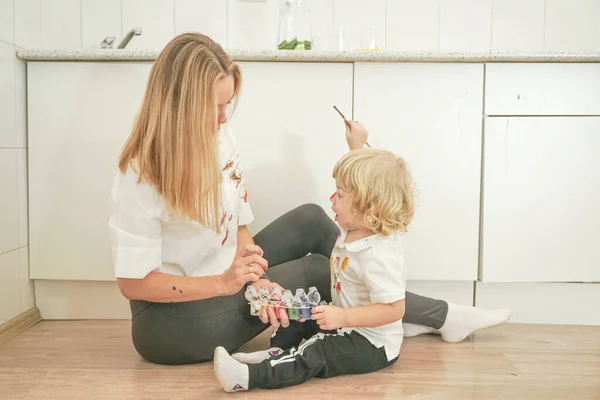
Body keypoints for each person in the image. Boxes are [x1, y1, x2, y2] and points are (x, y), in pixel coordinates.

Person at [108, 32, 512, 366]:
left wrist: (255, 276)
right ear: (179, 106)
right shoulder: (141, 173)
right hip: (168, 323)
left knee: (314, 220)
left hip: (228, 276)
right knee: (321, 271)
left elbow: (239, 223)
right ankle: (424, 315)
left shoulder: (219, 138)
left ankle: (414, 314)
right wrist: (225, 282)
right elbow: (133, 282)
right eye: (213, 106)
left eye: (227, 104)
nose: (223, 117)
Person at [213, 147, 415, 392]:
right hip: (345, 320)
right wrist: (356, 146)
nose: (331, 199)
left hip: (372, 343)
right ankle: (278, 353)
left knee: (317, 350)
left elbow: (395, 309)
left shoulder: (379, 256)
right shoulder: (358, 228)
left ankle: (249, 377)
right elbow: (369, 182)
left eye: (339, 195)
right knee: (299, 316)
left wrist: (344, 317)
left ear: (366, 206)